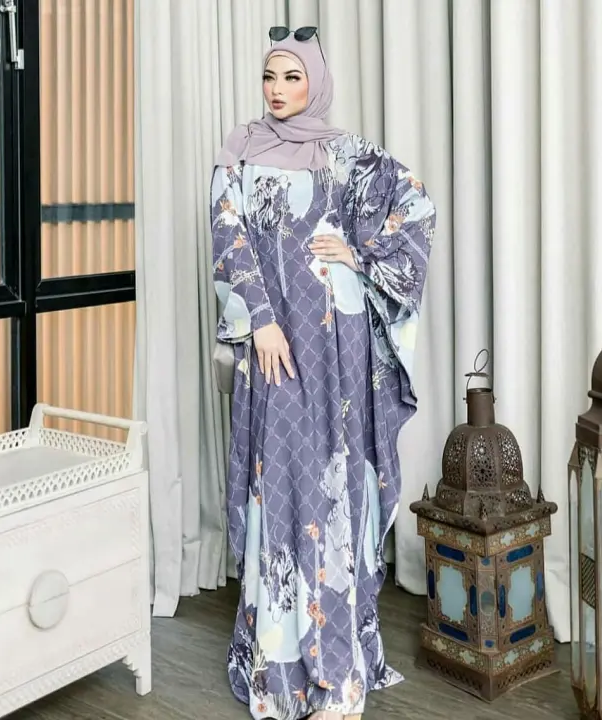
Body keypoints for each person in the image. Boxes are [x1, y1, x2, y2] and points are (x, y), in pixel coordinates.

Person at [211, 26, 436, 720]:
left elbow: (415, 207)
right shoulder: (239, 151)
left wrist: (360, 258)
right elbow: (229, 237)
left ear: (316, 82)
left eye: (292, 77)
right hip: (276, 346)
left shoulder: (347, 154)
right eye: (270, 76)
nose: (278, 90)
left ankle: (338, 664)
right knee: (281, 481)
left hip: (340, 349)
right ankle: (281, 663)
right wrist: (260, 319)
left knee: (337, 484)